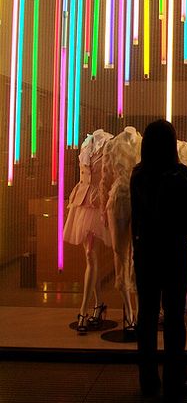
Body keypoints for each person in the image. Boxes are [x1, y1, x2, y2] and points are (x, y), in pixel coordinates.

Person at [130, 120, 187, 397]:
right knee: (175, 316)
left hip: (147, 253)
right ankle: (174, 379)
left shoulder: (138, 175)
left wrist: (136, 252)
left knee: (147, 316)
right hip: (175, 251)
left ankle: (147, 380)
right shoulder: (180, 173)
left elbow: (136, 219)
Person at [63, 129, 113, 334]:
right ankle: (98, 304)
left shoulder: (109, 145)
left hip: (98, 204)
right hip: (82, 204)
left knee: (91, 256)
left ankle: (84, 309)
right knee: (90, 257)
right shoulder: (86, 145)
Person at [100, 126, 141, 332]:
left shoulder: (143, 144)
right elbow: (105, 178)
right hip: (117, 200)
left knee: (139, 254)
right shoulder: (112, 145)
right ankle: (128, 310)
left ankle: (139, 311)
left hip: (140, 200)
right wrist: (101, 206)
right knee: (120, 253)